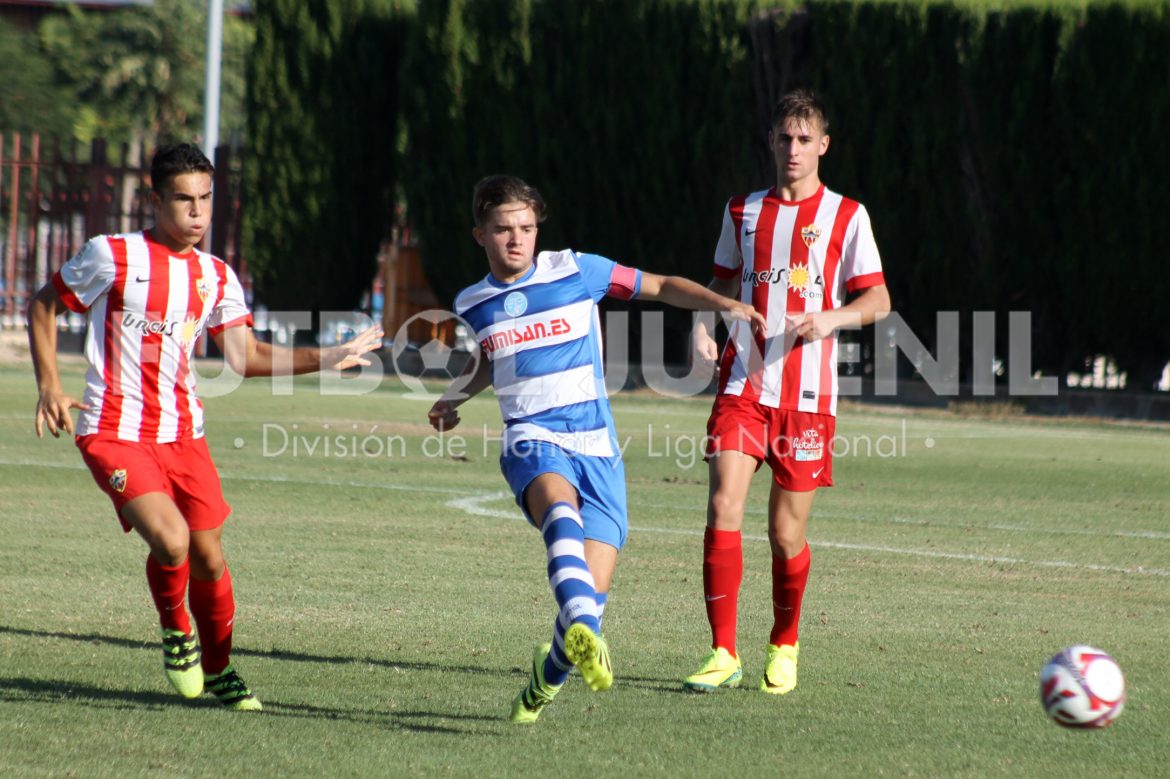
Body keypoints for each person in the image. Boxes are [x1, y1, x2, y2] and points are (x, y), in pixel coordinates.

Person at [27, 143, 382, 711]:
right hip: (112, 430)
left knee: (210, 558)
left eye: (205, 199)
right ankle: (176, 630)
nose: (197, 212)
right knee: (171, 541)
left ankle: (221, 671)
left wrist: (327, 357)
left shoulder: (215, 275)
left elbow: (247, 357)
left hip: (185, 435)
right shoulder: (110, 255)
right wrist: (48, 383)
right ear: (154, 200)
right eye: (183, 200)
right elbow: (43, 305)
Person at [427, 175, 765, 723]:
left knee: (589, 601)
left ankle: (546, 675)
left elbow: (658, 286)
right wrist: (452, 396)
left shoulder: (576, 270)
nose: (517, 239)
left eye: (526, 227)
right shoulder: (473, 301)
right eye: (503, 229)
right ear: (479, 235)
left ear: (538, 229)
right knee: (559, 513)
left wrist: (723, 303)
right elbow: (492, 357)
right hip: (532, 438)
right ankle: (581, 620)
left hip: (599, 448)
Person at [682, 90, 891, 695]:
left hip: (807, 399)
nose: (793, 149)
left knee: (784, 534)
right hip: (743, 385)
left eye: (805, 139)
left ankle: (785, 642)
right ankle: (723, 651)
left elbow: (878, 300)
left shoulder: (849, 216)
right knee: (723, 506)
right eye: (784, 138)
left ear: (822, 145)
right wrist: (701, 326)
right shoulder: (742, 211)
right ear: (771, 142)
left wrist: (832, 318)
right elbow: (718, 283)